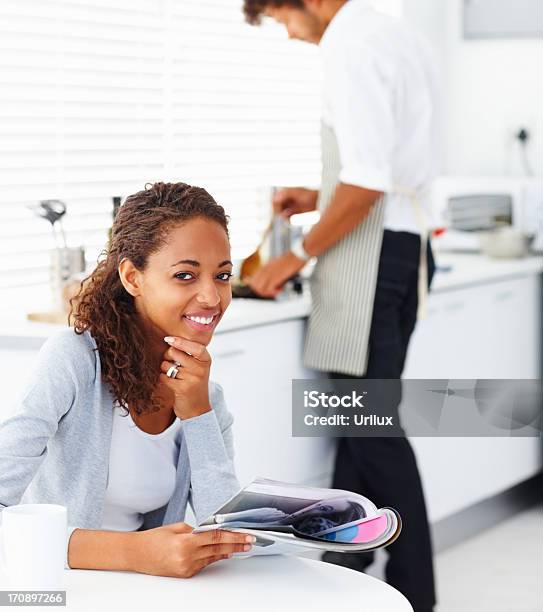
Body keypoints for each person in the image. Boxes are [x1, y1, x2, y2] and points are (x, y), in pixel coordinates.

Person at [242, 1, 439, 610]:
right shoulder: (394, 30)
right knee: (359, 430)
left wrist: (294, 255)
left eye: (282, 18)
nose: (292, 34)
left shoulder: (349, 41)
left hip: (371, 261)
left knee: (372, 430)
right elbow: (383, 165)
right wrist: (317, 195)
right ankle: (344, 576)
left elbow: (366, 182)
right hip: (402, 250)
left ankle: (415, 591)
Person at [0, 182, 255, 578]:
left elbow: (226, 534)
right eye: (185, 275)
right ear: (132, 277)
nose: (211, 297)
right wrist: (133, 553)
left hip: (147, 595)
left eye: (222, 276)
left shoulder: (205, 394)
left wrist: (198, 412)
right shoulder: (74, 361)